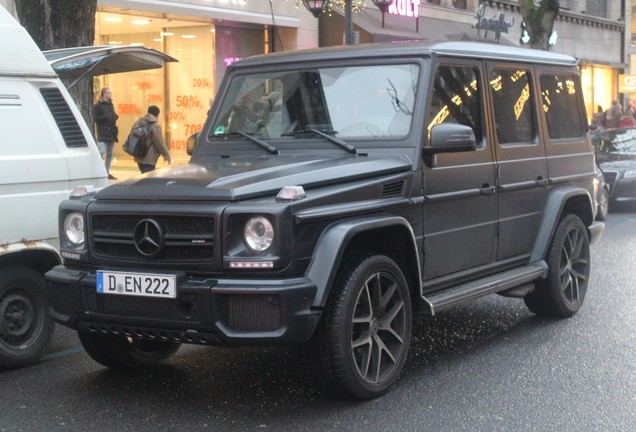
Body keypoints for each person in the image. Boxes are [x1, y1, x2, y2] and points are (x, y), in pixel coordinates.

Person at [133, 105, 171, 173]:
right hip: (148, 158)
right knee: (147, 179)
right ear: (157, 115)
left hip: (138, 155)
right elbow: (159, 142)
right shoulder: (154, 124)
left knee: (143, 177)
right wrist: (166, 155)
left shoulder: (139, 121)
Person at [93, 87, 119, 179]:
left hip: (111, 131)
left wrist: (114, 116)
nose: (109, 94)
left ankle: (106, 171)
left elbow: (113, 115)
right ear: (103, 94)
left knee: (110, 153)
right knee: (101, 151)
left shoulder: (110, 105)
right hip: (103, 131)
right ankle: (98, 171)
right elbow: (95, 118)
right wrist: (106, 117)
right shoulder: (98, 105)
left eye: (110, 92)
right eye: (107, 92)